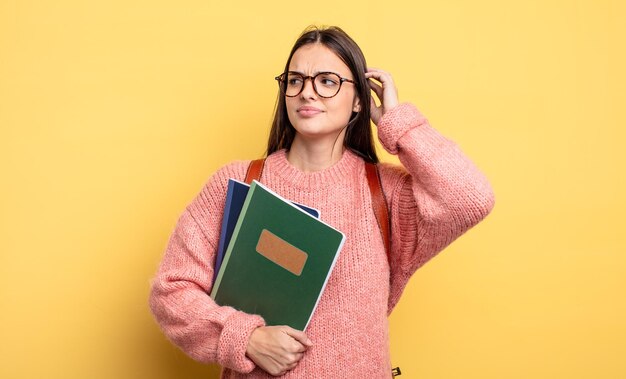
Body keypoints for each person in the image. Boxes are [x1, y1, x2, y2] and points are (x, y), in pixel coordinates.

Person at [149, 25, 495, 378]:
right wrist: (245, 338)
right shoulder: (235, 182)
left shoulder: (385, 193)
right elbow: (171, 292)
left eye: (327, 81)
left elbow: (470, 198)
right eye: (295, 80)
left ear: (359, 99)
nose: (307, 93)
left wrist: (397, 123)